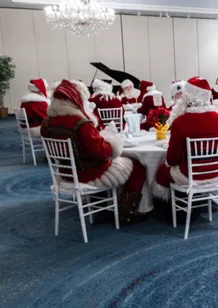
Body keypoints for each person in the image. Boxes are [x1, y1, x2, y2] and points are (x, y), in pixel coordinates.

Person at [41, 80, 146, 223]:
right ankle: (125, 211)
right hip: (87, 173)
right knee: (137, 166)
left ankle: (100, 205)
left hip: (65, 173)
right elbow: (101, 154)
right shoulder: (81, 124)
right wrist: (110, 142)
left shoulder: (47, 123)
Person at [152, 77, 218, 212]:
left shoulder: (181, 123)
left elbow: (171, 159)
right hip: (217, 174)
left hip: (189, 175)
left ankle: (165, 208)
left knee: (162, 171)